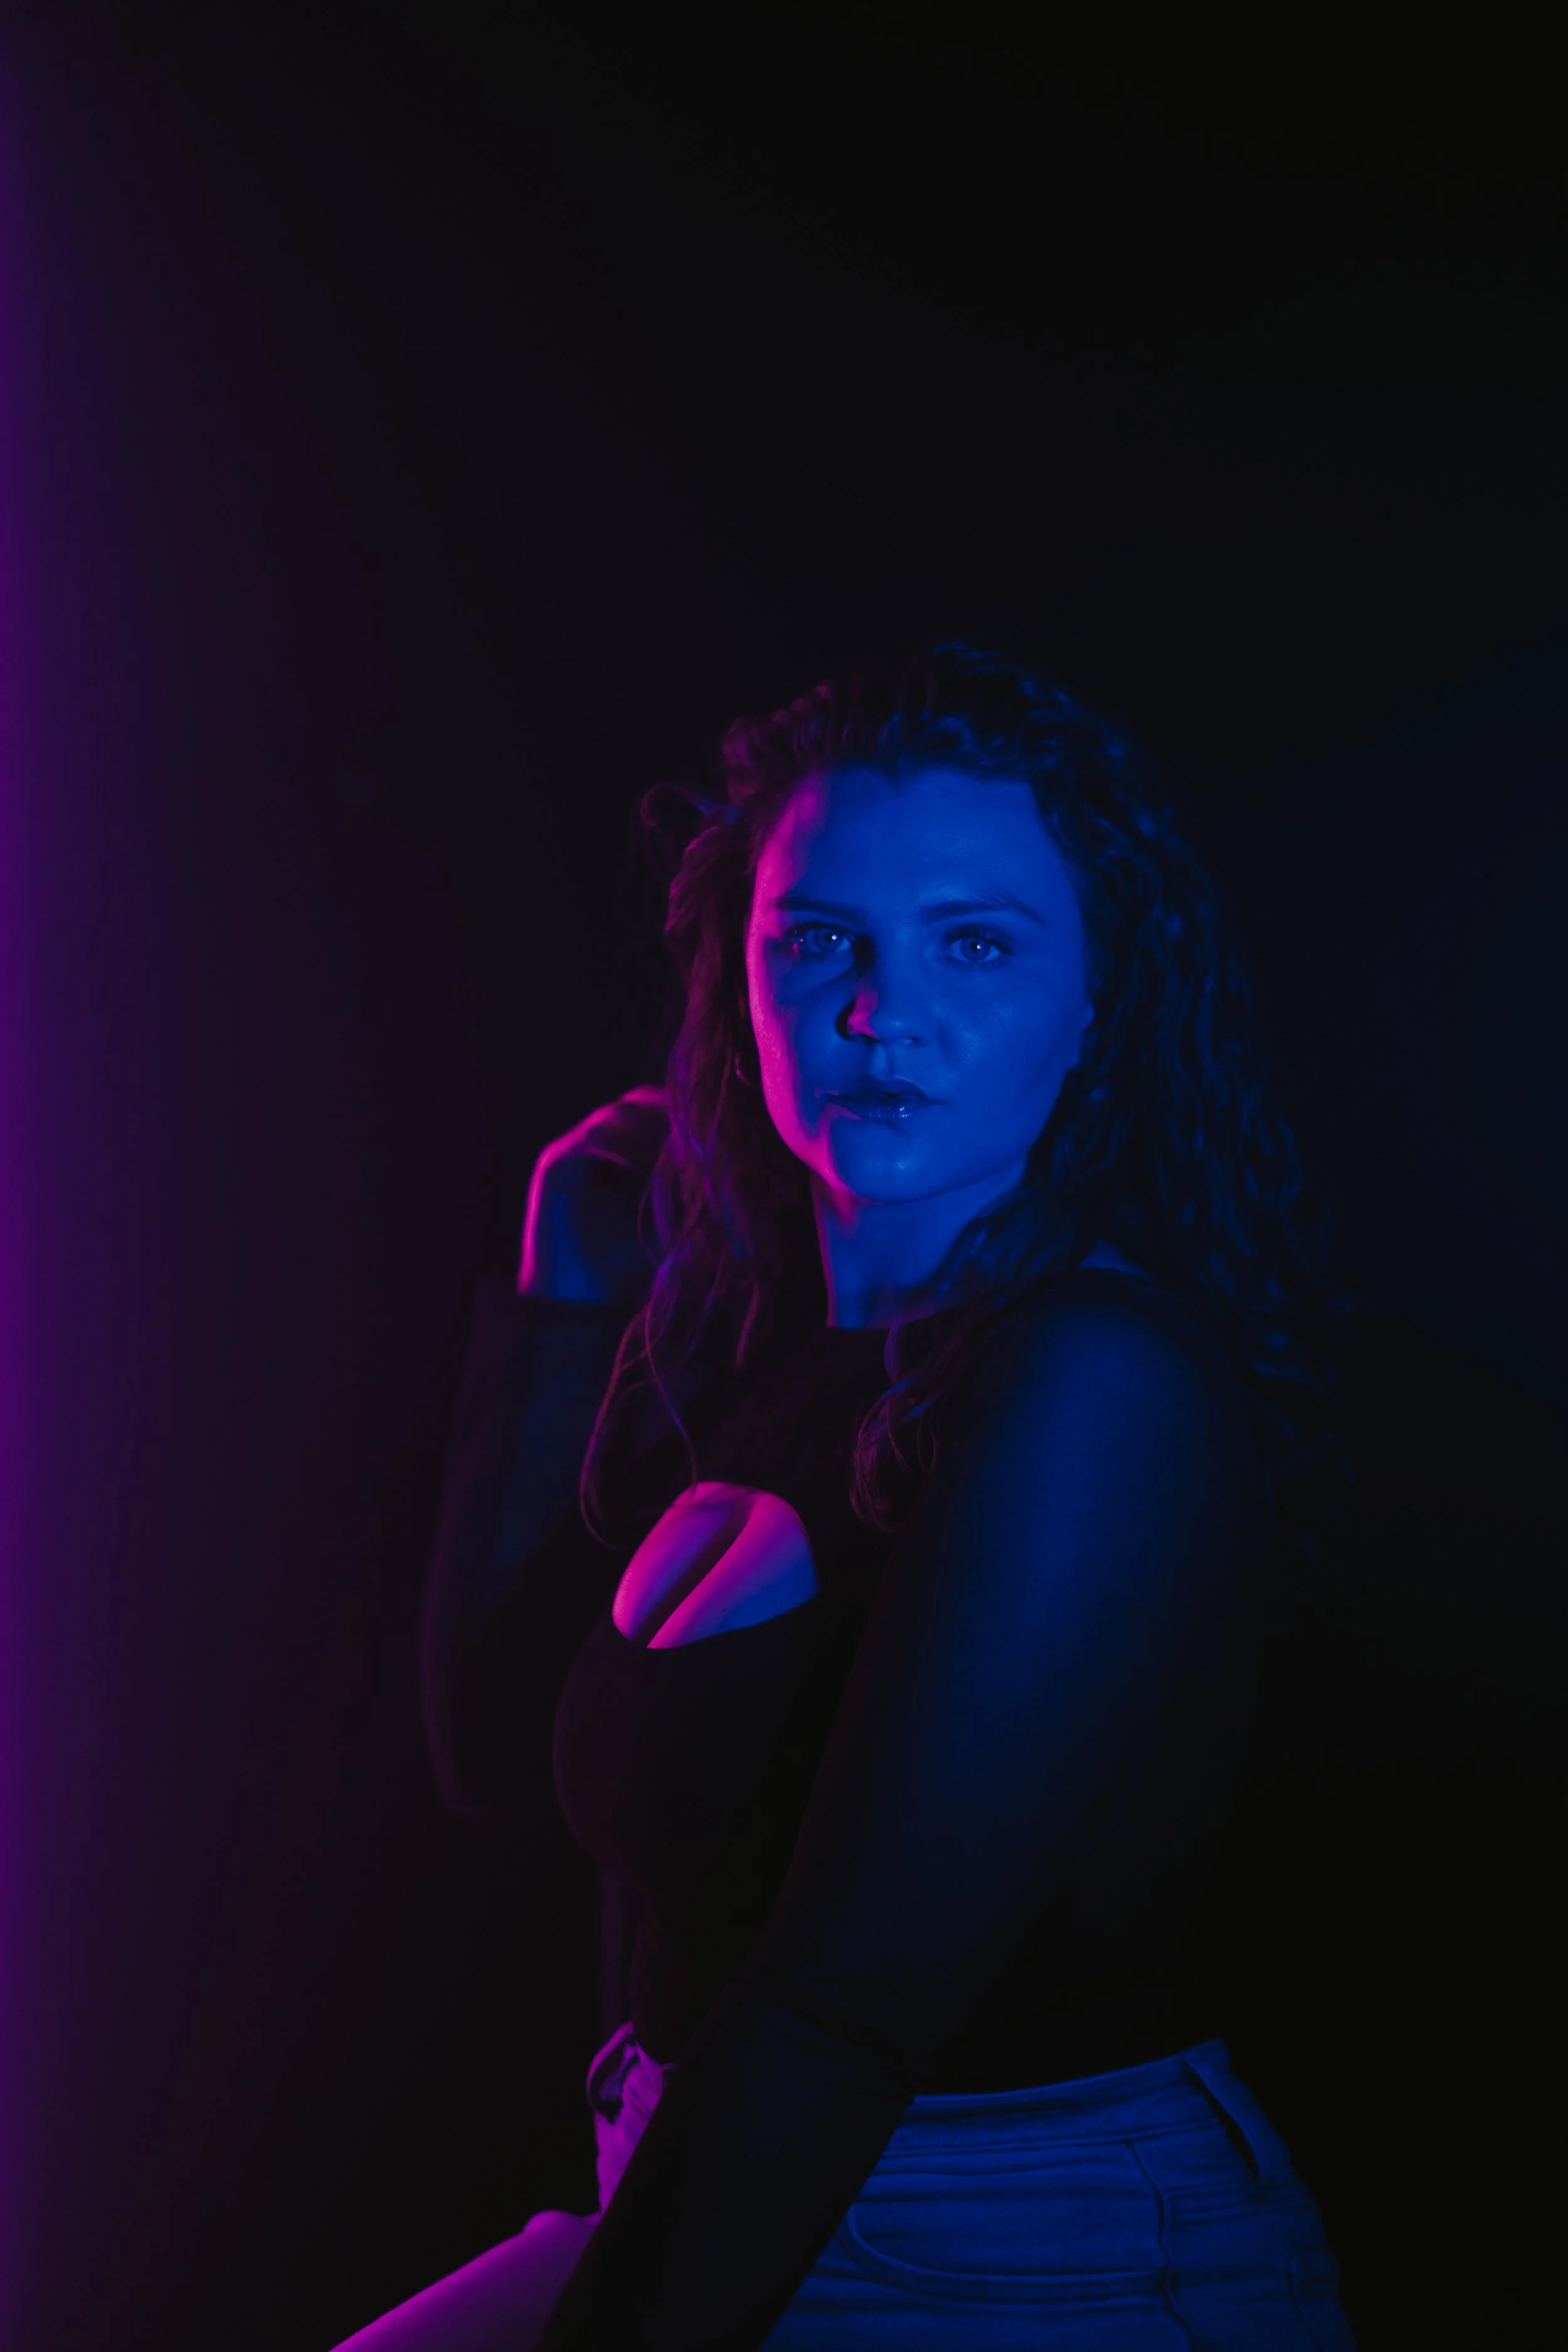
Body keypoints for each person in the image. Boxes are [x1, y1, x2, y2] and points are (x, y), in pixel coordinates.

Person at [338, 647, 1355, 2349]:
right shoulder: (757, 1348)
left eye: (974, 942)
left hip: (1033, 2259)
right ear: (742, 977)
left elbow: (844, 2002)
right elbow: (489, 1750)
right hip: (706, 2191)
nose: (880, 1012)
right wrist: (563, 1287)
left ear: (1098, 991)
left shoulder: (1089, 1379)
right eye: (820, 942)